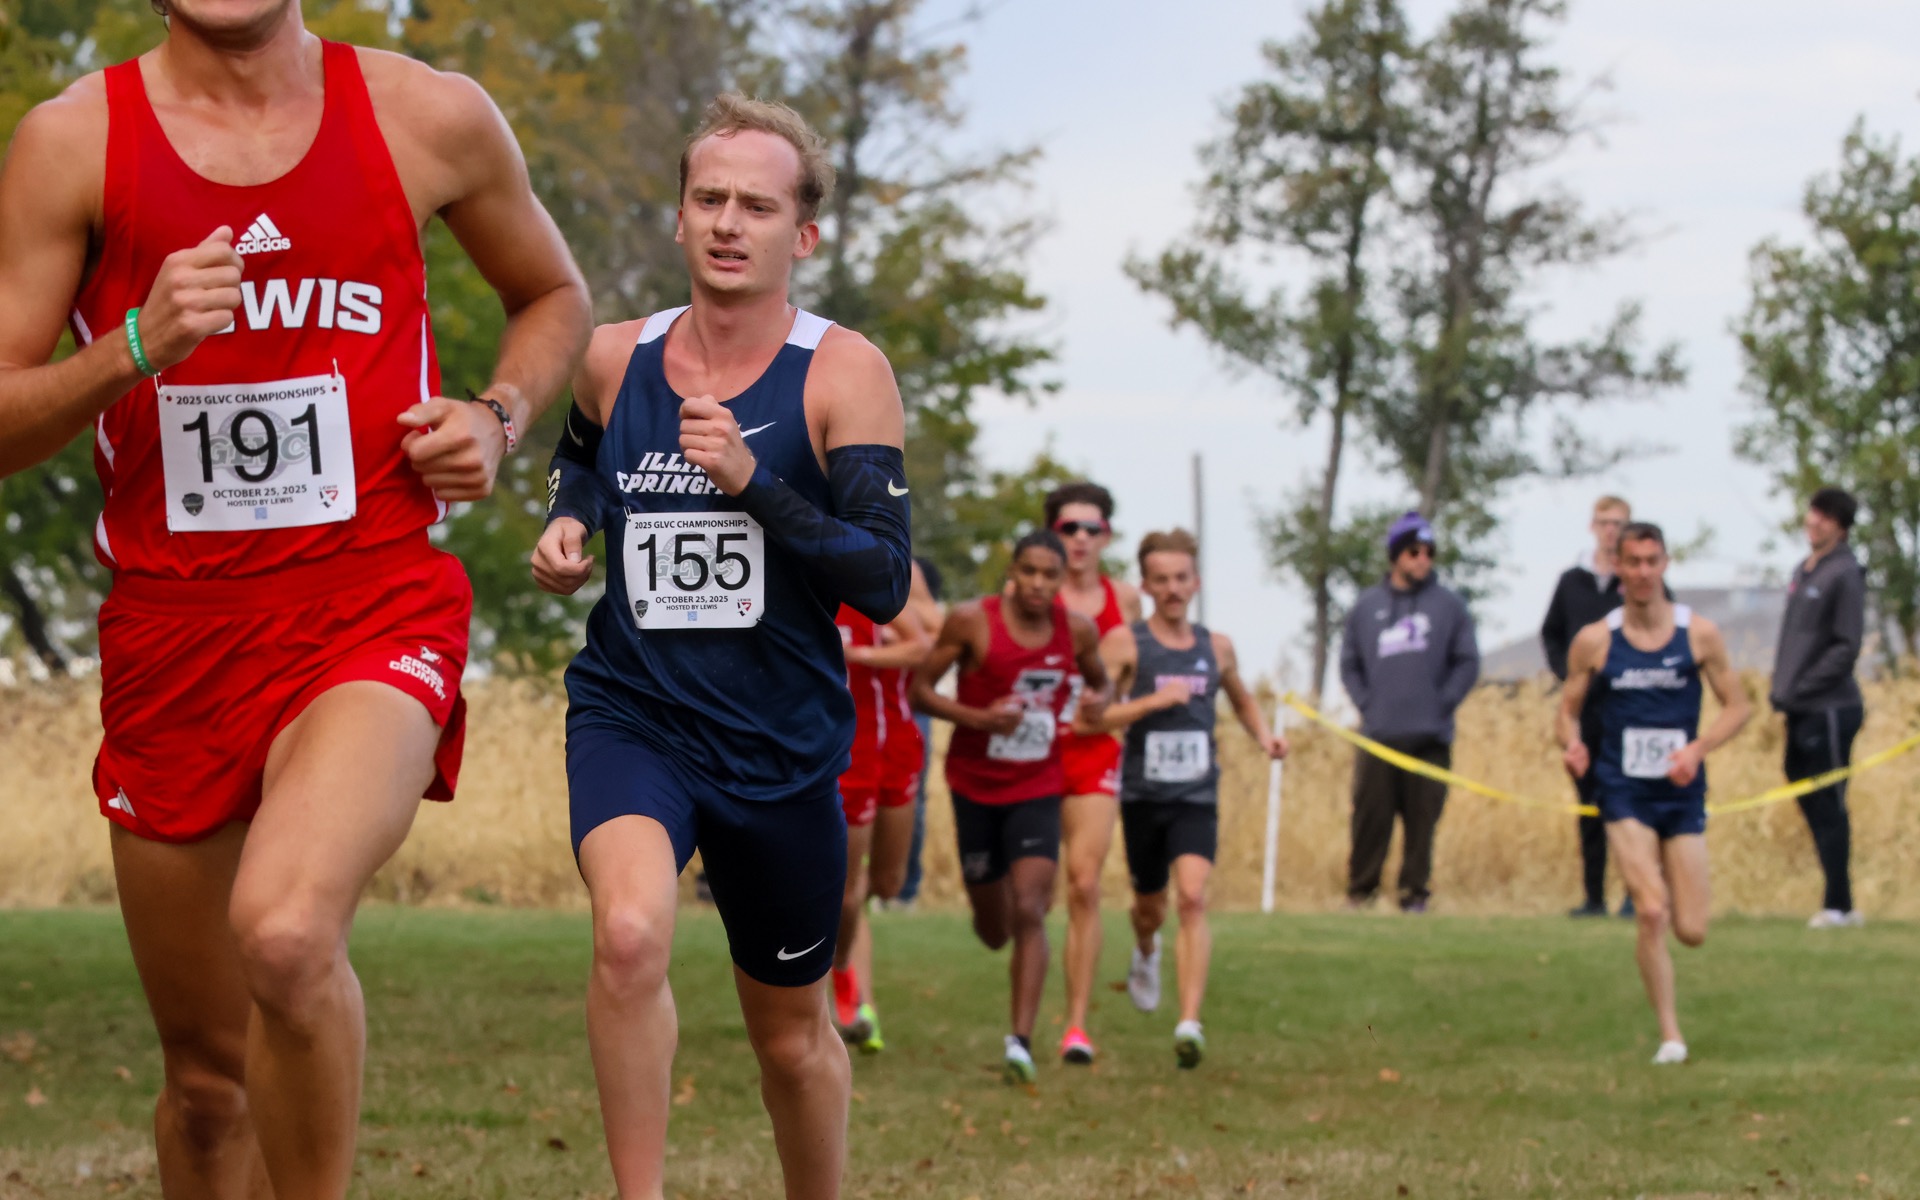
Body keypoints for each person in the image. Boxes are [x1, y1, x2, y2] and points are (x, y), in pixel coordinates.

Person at [0, 2, 590, 1194]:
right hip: (174, 631)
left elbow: (554, 298)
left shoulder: (427, 114)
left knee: (285, 928)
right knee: (210, 1091)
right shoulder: (73, 142)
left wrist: (497, 414)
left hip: (370, 604)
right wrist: (129, 347)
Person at [530, 94, 911, 1200]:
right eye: (709, 199)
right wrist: (566, 522)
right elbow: (582, 458)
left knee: (791, 1044)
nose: (729, 222)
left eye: (758, 203)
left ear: (806, 234)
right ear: (680, 217)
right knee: (632, 932)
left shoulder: (842, 374)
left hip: (780, 742)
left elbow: (880, 577)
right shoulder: (613, 355)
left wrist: (756, 488)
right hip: (634, 713)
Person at [910, 529, 1109, 1084]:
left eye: (1051, 575)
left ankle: (1019, 1041)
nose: (1039, 585)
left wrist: (1100, 698)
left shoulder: (1078, 631)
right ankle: (998, 923)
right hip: (974, 783)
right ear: (1013, 572)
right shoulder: (972, 621)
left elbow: (1101, 683)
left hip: (1038, 784)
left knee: (1030, 906)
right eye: (1029, 572)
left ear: (1062, 580)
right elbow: (919, 692)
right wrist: (980, 720)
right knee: (994, 928)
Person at [1091, 529, 1286, 1069]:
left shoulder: (1215, 646)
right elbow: (1095, 718)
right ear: (1147, 585)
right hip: (1143, 794)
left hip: (1197, 794)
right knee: (1149, 907)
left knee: (1194, 897)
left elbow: (1243, 700)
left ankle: (1189, 1021)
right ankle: (1146, 951)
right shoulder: (1126, 644)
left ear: (1195, 582)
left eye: (1181, 578)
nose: (1172, 588)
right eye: (1161, 579)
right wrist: (1153, 700)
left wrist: (1265, 736)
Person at [1557, 522, 1750, 1064]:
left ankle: (1664, 887)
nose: (1642, 572)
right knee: (1651, 911)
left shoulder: (1699, 635)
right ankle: (1671, 1035)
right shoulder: (1596, 639)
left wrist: (1697, 750)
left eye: (1651, 561)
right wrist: (1572, 746)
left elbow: (1739, 707)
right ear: (1617, 567)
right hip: (1621, 791)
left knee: (1691, 929)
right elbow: (1566, 711)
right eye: (1632, 562)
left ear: (1665, 564)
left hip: (1681, 794)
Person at [1042, 481, 1142, 1065]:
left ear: (1106, 535)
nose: (1080, 539)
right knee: (1024, 897)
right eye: (1069, 529)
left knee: (1083, 882)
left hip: (1096, 750)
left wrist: (1119, 707)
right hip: (1034, 751)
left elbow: (1134, 663)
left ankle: (1076, 1025)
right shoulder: (1030, 589)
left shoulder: (1123, 599)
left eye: (1092, 529)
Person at [1338, 512, 1480, 912]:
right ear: (1396, 555)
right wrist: (1368, 704)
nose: (1423, 560)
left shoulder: (1449, 606)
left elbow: (1467, 661)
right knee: (1370, 818)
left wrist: (1442, 703)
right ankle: (1360, 892)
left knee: (1422, 823)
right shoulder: (1367, 607)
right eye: (1414, 551)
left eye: (1429, 552)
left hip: (1430, 737)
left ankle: (1414, 895)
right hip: (1379, 735)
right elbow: (1349, 664)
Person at [829, 599, 932, 1053]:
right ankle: (842, 978)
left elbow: (922, 644)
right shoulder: (801, 585)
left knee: (888, 884)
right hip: (849, 751)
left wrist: (861, 654)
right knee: (848, 892)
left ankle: (845, 952)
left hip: (900, 746)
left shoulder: (877, 582)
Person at [1769, 487, 1868, 929]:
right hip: (1798, 707)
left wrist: (1803, 688)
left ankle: (1838, 905)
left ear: (1840, 526)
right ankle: (1840, 901)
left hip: (1830, 707)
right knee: (1800, 784)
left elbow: (1846, 647)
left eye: (1825, 517)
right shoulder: (1804, 570)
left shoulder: (1845, 573)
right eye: (1813, 512)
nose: (1814, 521)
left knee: (1830, 802)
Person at [1541, 496, 1634, 918]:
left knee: (1634, 805)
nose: (1611, 530)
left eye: (1619, 523)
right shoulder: (1571, 581)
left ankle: (1636, 893)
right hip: (1584, 710)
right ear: (1592, 526)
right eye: (1605, 522)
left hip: (1631, 709)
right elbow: (1552, 633)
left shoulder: (1638, 579)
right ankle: (1594, 897)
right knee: (1590, 805)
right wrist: (1570, 674)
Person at [892, 556, 946, 907]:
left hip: (908, 708)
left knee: (913, 799)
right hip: (855, 702)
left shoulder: (907, 569)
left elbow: (938, 633)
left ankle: (904, 890)